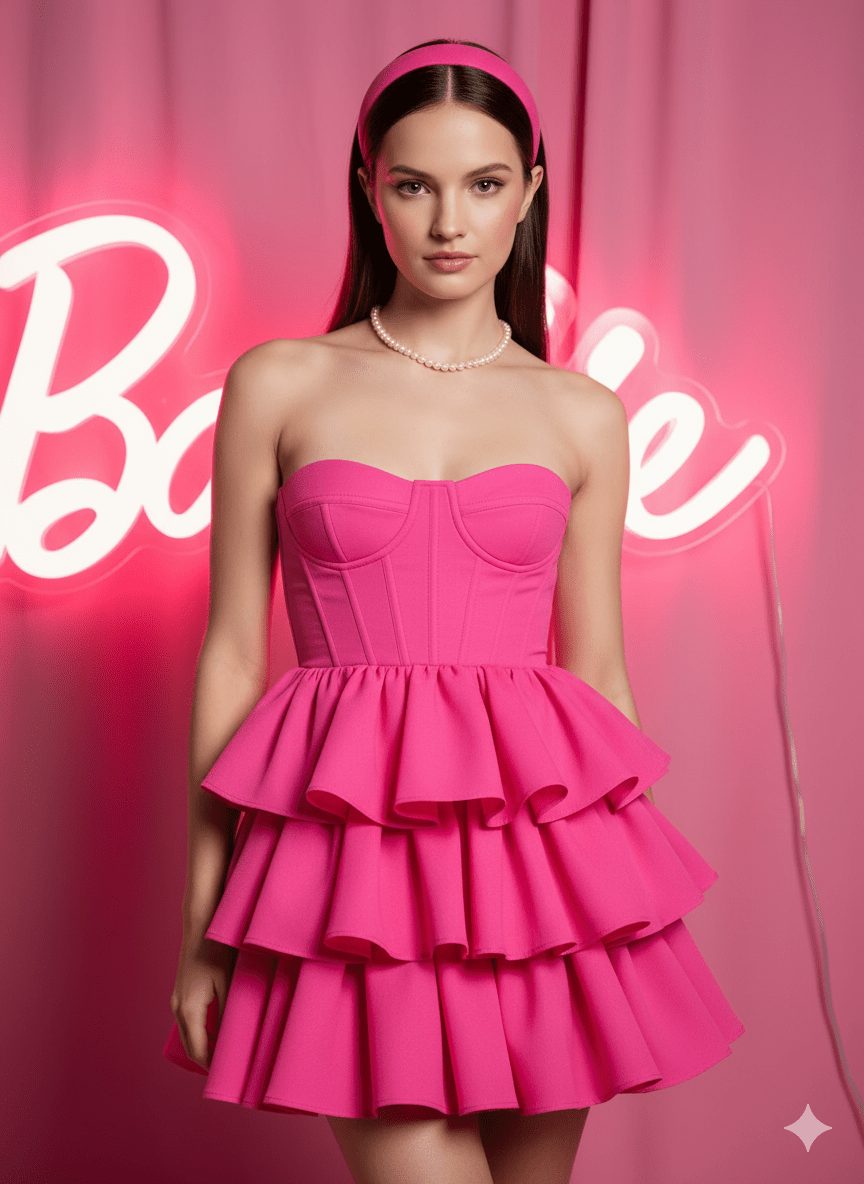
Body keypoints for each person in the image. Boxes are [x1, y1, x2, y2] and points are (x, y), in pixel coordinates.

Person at [163, 37, 745, 1184]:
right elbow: (233, 660)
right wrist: (201, 923)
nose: (448, 222)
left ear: (528, 193)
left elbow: (600, 679)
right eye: (414, 183)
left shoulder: (581, 412)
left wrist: (619, 907)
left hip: (539, 880)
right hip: (350, 885)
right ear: (368, 189)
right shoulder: (279, 381)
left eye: (483, 185)